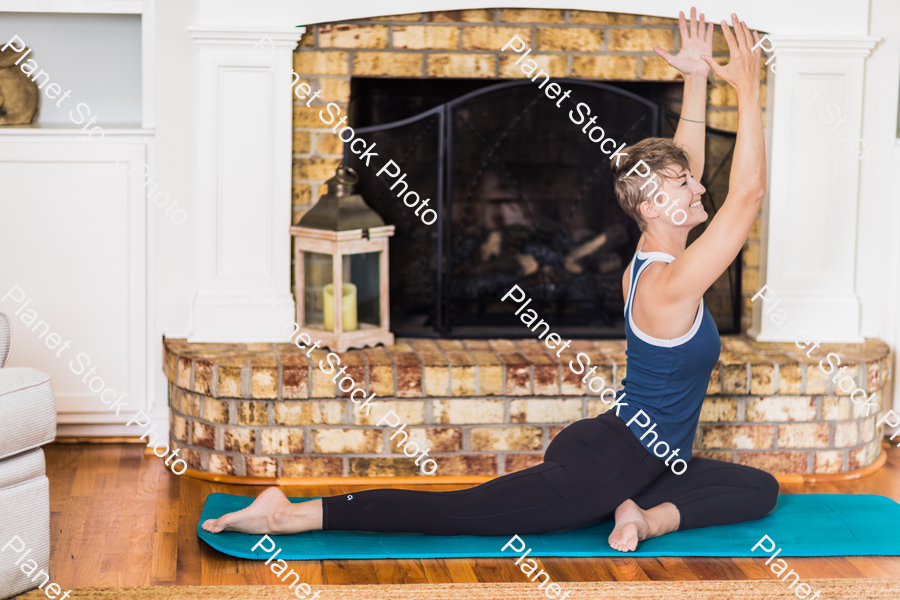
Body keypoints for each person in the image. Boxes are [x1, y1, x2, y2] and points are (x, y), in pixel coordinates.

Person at [202, 9, 778, 553]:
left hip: (628, 450)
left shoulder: (655, 254)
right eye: (685, 187)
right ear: (655, 206)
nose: (700, 188)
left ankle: (643, 516)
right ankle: (293, 512)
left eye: (691, 181)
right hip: (608, 463)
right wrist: (748, 92)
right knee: (460, 514)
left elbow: (688, 170)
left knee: (758, 490)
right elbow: (746, 195)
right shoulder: (667, 286)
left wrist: (699, 79)